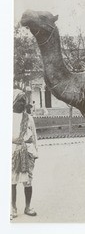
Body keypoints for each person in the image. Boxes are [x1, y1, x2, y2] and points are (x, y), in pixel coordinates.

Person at [11, 89, 38, 219]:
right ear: (13, 101)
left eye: (23, 100)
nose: (22, 103)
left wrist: (35, 153)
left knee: (28, 181)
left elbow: (35, 136)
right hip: (12, 152)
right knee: (12, 181)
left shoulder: (29, 118)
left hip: (27, 152)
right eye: (19, 100)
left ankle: (28, 207)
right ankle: (13, 208)